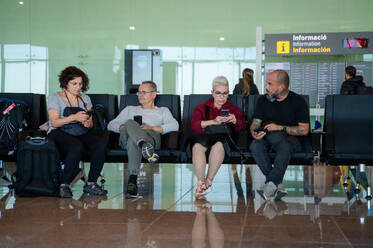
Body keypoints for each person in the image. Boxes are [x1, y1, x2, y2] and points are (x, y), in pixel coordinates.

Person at [107, 81, 179, 198]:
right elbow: (110, 125)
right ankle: (143, 144)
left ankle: (132, 180)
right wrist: (126, 127)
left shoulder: (162, 110)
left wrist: (150, 127)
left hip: (150, 138)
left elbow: (174, 125)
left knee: (133, 141)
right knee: (130, 122)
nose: (140, 95)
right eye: (139, 92)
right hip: (127, 136)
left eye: (144, 92)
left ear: (154, 94)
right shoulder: (130, 109)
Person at [48, 66, 107, 198]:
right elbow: (54, 122)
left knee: (100, 146)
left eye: (80, 84)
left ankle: (91, 183)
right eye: (74, 83)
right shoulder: (55, 98)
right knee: (76, 146)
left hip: (80, 131)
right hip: (59, 131)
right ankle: (64, 185)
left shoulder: (85, 99)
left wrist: (87, 122)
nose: (78, 87)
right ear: (65, 83)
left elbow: (90, 122)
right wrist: (74, 117)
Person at [250, 70, 309, 201]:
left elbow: (304, 130)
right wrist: (254, 132)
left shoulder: (298, 102)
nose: (266, 87)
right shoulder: (263, 100)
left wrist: (280, 127)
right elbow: (256, 122)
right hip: (268, 136)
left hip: (290, 138)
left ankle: (270, 185)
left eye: (270, 84)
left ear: (281, 87)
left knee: (285, 146)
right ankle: (276, 184)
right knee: (255, 145)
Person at [190, 76, 246, 199]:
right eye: (218, 93)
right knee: (198, 146)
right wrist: (214, 121)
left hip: (223, 139)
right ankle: (201, 182)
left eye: (225, 93)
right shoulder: (201, 108)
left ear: (228, 93)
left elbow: (242, 128)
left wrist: (235, 120)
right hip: (203, 137)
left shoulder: (234, 110)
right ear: (212, 93)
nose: (222, 97)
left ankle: (208, 182)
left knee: (219, 145)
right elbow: (195, 126)